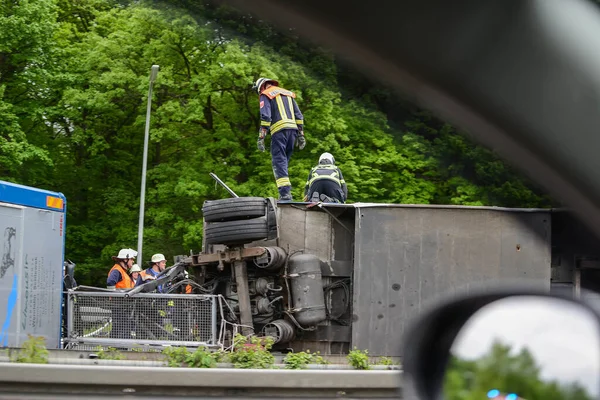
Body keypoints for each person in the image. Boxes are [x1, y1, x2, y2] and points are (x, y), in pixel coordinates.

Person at [253, 77, 306, 202]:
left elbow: (265, 116)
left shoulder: (265, 94)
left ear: (261, 86)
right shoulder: (287, 93)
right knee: (284, 162)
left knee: (279, 161)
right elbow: (299, 115)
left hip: (279, 132)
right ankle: (285, 192)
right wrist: (301, 134)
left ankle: (285, 195)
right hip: (292, 132)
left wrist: (261, 136)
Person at [106, 248, 137, 340]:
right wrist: (116, 296)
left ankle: (116, 348)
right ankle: (119, 348)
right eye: (131, 259)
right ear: (125, 259)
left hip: (122, 304)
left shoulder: (122, 271)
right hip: (119, 304)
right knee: (121, 328)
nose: (132, 262)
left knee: (120, 328)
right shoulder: (117, 270)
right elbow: (110, 282)